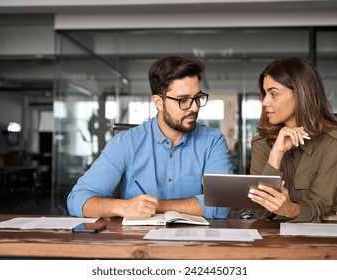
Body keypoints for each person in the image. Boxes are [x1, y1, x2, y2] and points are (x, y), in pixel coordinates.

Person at [67, 55, 233, 219]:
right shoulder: (126, 143)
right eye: (183, 100)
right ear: (159, 103)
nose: (195, 107)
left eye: (197, 98)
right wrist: (123, 207)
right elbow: (77, 200)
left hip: (195, 243)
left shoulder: (213, 142)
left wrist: (157, 206)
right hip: (139, 243)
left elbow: (221, 203)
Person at [248, 56, 337, 222]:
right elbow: (261, 213)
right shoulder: (261, 143)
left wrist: (290, 209)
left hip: (332, 221)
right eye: (264, 94)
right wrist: (276, 153)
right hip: (279, 223)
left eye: (273, 94)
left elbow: (321, 204)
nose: (264, 102)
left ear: (300, 93)